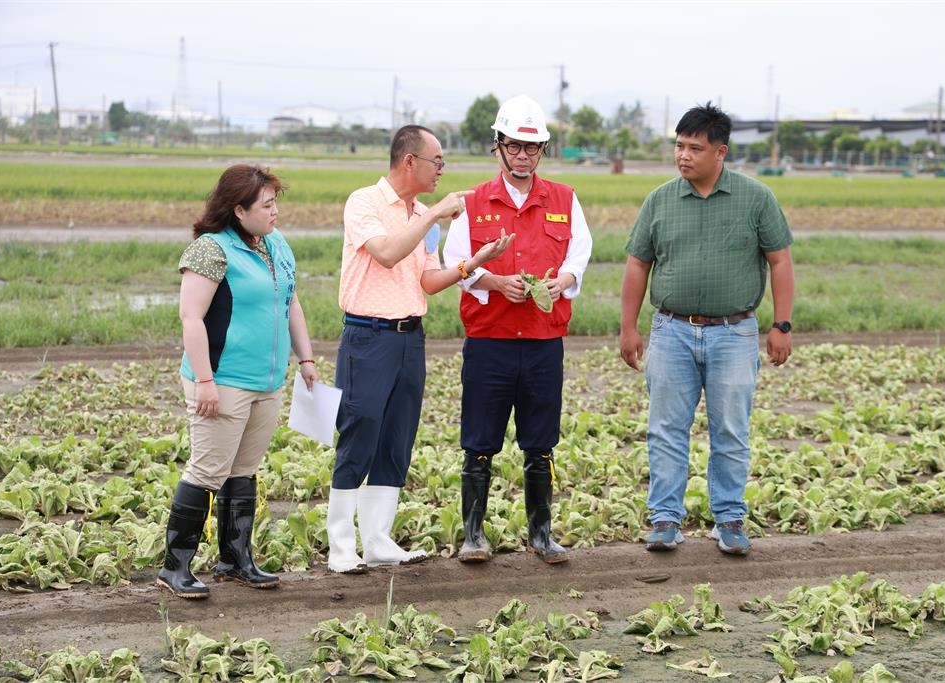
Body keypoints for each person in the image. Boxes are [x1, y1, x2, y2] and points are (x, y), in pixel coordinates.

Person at [327, 125, 514, 573]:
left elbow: (427, 280)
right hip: (368, 336)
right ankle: (341, 546)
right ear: (409, 161)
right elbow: (387, 253)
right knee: (359, 434)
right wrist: (432, 218)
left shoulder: (423, 215)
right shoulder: (365, 202)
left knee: (397, 437)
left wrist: (474, 263)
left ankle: (378, 540)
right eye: (437, 161)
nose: (442, 170)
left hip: (410, 338)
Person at [619, 102, 795, 557]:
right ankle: (665, 519)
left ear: (720, 152)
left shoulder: (755, 198)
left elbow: (780, 261)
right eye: (679, 146)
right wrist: (628, 328)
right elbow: (637, 265)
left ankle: (729, 519)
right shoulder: (660, 200)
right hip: (671, 330)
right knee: (665, 429)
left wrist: (781, 324)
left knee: (731, 430)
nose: (683, 155)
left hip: (734, 332)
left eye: (695, 148)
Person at [443, 95, 593, 565]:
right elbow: (455, 262)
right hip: (490, 341)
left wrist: (563, 280)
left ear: (542, 150)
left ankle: (541, 534)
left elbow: (579, 254)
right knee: (479, 440)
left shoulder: (564, 199)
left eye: (532, 147)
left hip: (544, 342)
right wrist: (493, 281)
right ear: (498, 146)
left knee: (540, 441)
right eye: (514, 146)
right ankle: (473, 536)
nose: (523, 156)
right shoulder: (473, 203)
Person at [158, 164, 319, 599]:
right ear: (239, 210)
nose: (275, 211)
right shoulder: (211, 250)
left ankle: (235, 559)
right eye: (266, 205)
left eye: (275, 202)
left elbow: (291, 302)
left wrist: (305, 357)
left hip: (267, 380)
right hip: (223, 380)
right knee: (207, 470)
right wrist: (205, 381)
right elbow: (191, 318)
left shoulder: (275, 243)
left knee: (244, 470)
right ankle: (175, 566)